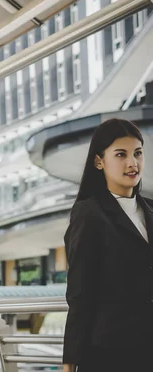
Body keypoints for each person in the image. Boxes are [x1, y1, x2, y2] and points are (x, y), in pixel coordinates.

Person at [62, 118, 153, 372]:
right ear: (99, 161)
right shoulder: (89, 214)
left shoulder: (150, 210)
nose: (132, 163)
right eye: (120, 155)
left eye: (138, 153)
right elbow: (80, 292)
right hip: (109, 355)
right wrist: (69, 362)